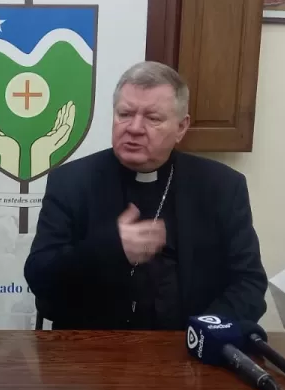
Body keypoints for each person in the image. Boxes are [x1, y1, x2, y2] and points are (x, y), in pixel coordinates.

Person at [24, 62, 266, 330]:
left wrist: (203, 336)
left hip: (190, 352)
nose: (134, 128)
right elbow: (40, 279)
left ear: (181, 127)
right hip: (91, 353)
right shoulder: (71, 181)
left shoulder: (221, 187)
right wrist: (111, 249)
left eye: (153, 118)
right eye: (125, 114)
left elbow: (249, 284)